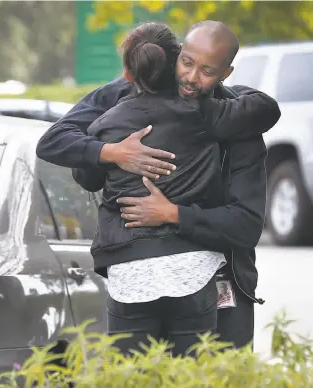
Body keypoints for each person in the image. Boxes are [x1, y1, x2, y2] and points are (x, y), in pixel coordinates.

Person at [36, 20, 271, 352]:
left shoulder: (236, 118)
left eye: (206, 70)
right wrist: (112, 153)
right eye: (187, 63)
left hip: (222, 284)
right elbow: (61, 145)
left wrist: (174, 213)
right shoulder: (119, 97)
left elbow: (246, 225)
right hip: (134, 277)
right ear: (175, 54)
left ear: (225, 72)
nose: (191, 77)